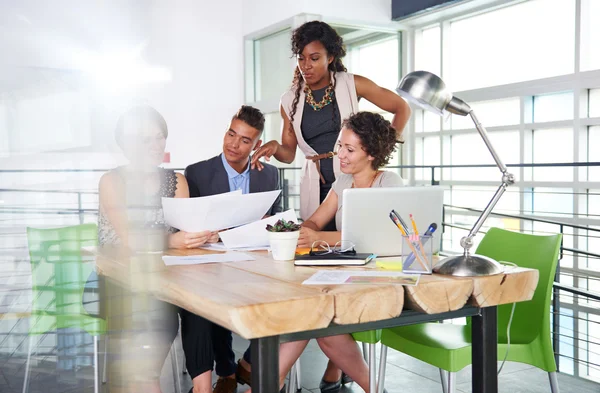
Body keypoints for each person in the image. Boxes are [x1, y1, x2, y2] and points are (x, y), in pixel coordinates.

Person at [248, 111, 400, 393]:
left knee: (318, 322)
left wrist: (319, 236)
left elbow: (374, 238)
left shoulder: (387, 183)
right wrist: (300, 231)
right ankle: (270, 384)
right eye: (340, 145)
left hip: (379, 282)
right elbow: (316, 220)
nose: (338, 154)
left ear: (371, 153)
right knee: (311, 316)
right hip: (346, 276)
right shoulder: (343, 183)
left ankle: (268, 384)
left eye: (349, 149)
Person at [96, 105, 218, 393]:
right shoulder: (111, 182)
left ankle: (203, 389)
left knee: (199, 308)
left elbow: (182, 235)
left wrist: (198, 235)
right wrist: (172, 240)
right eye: (145, 139)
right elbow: (130, 238)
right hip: (122, 281)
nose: (155, 145)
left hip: (167, 276)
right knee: (158, 315)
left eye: (159, 137)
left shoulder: (177, 181)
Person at [251, 20, 410, 232]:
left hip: (355, 178)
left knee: (358, 237)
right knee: (314, 240)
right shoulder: (289, 100)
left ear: (330, 57)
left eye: (314, 58)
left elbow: (401, 107)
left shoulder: (352, 83)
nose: (305, 65)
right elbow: (288, 154)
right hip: (316, 185)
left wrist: (380, 147)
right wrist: (275, 147)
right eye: (301, 58)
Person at [182, 105, 282, 393]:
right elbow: (189, 228)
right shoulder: (197, 173)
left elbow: (272, 224)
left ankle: (248, 364)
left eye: (245, 140)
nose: (234, 145)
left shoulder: (269, 175)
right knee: (207, 304)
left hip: (255, 263)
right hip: (211, 264)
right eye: (231, 134)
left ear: (257, 145)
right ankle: (226, 371)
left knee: (281, 298)